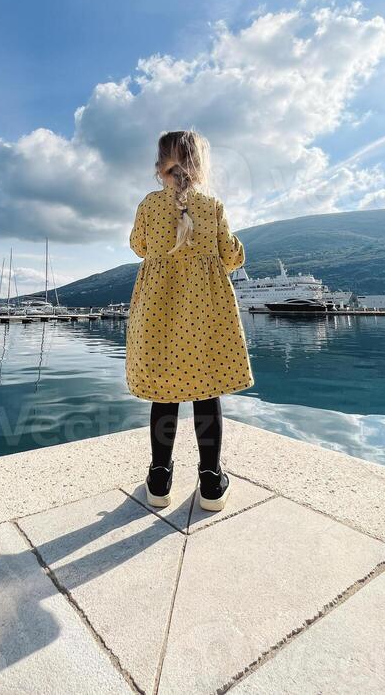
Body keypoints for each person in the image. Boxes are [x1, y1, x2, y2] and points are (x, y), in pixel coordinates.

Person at [126, 130, 253, 511]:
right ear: (199, 164)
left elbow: (139, 246)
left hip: (159, 312)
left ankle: (159, 478)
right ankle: (212, 483)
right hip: (206, 314)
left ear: (159, 166)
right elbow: (232, 258)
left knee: (163, 395)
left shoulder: (149, 204)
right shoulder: (212, 204)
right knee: (206, 391)